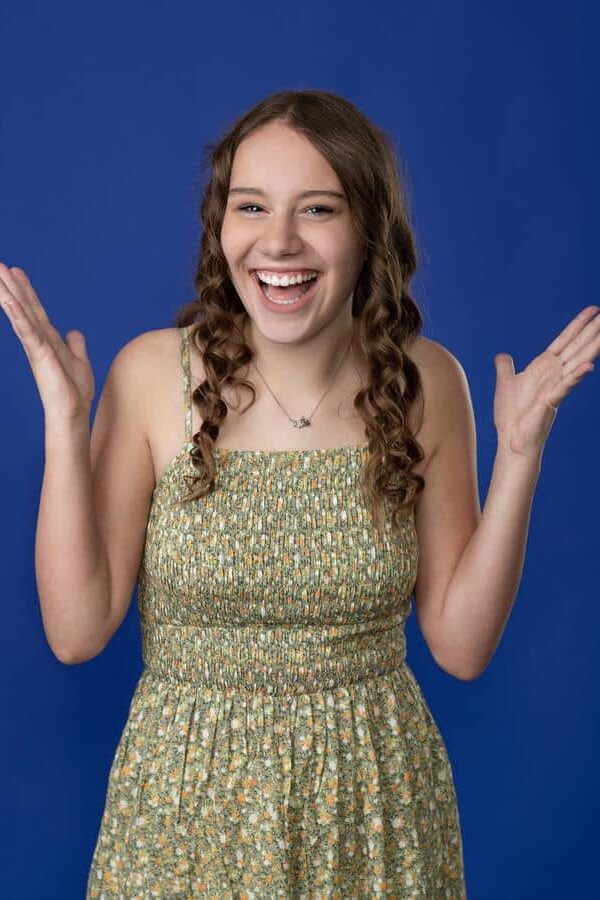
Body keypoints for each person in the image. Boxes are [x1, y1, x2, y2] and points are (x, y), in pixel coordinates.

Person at [1, 89, 597, 898]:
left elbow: (461, 648)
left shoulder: (429, 382)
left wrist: (521, 453)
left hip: (376, 804)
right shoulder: (147, 375)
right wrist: (65, 428)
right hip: (185, 804)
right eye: (251, 206)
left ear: (367, 233)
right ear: (222, 227)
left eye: (317, 208)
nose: (277, 242)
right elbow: (75, 632)